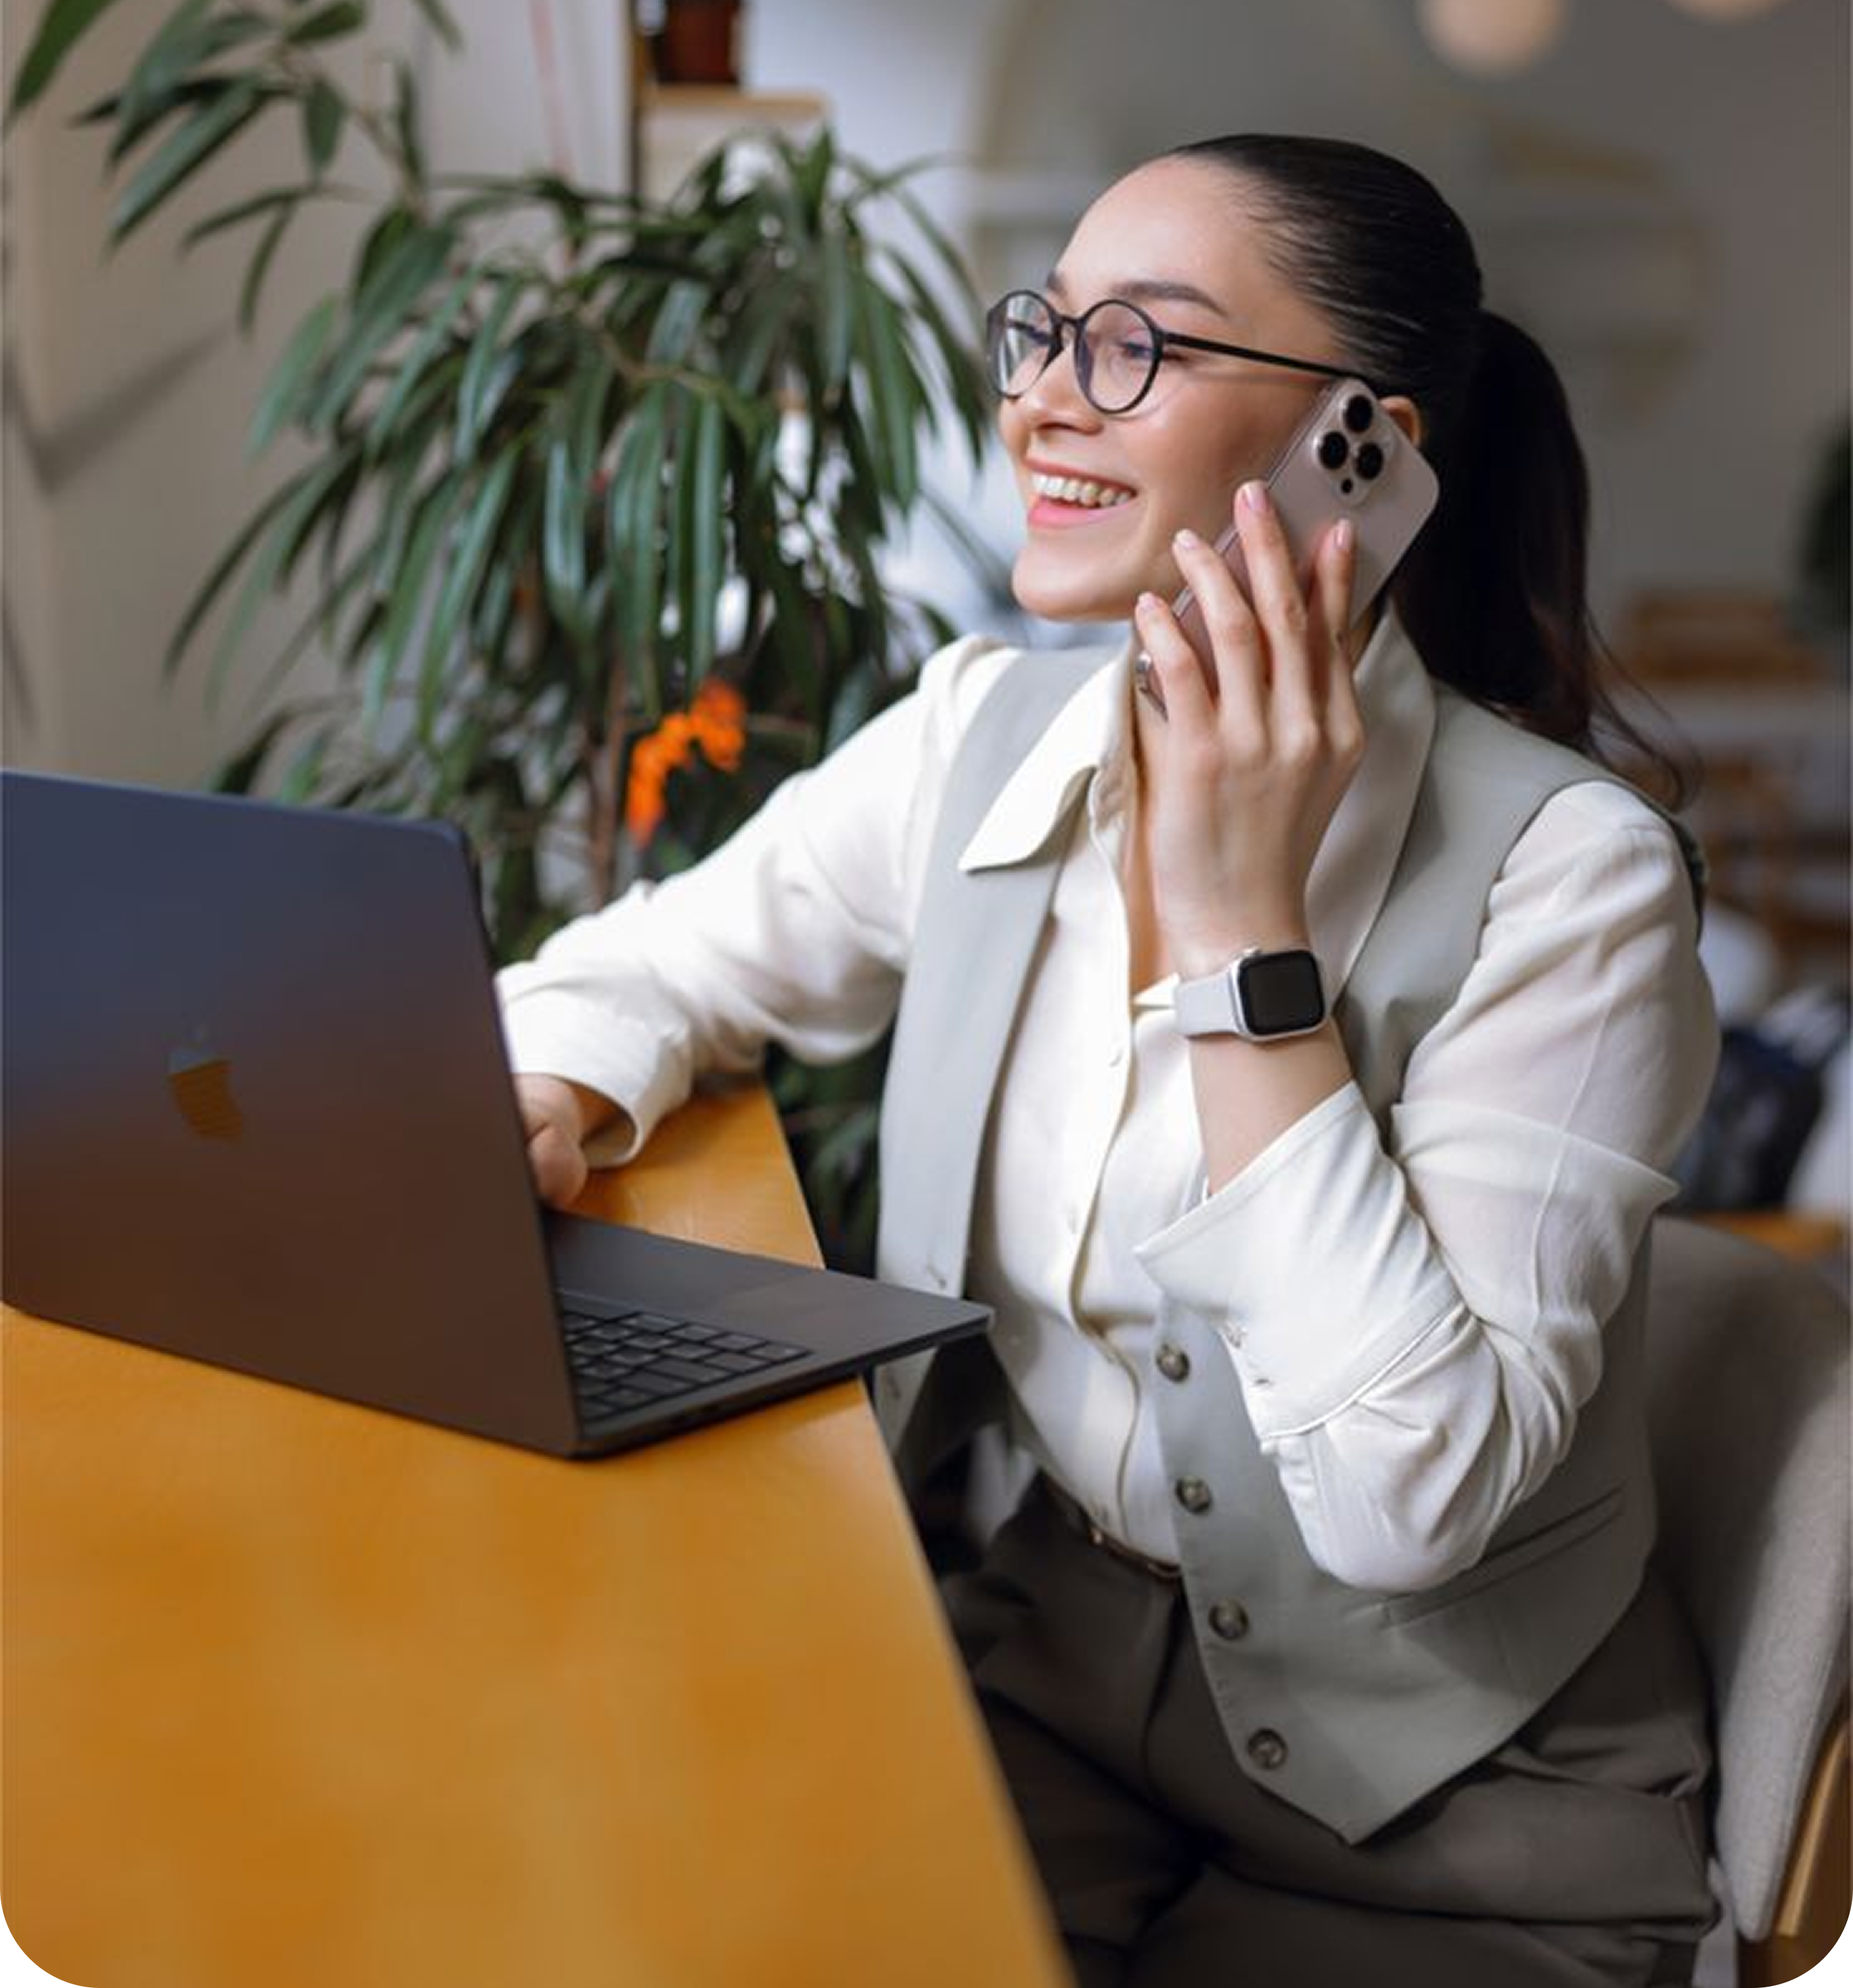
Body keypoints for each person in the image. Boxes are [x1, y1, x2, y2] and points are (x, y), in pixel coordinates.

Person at [497, 135, 1720, 1987]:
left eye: (1136, 345)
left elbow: (1413, 1502)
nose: (1042, 406)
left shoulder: (1576, 880)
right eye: (1043, 333)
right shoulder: (982, 735)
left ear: (1361, 448)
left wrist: (1244, 934)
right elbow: (650, 965)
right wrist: (558, 1093)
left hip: (1457, 1834)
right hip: (1042, 1701)